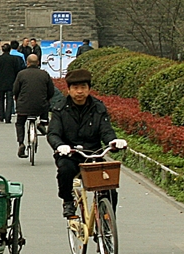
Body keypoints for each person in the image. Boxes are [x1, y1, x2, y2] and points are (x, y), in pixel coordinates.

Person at [47, 68, 127, 218]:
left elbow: (106, 130)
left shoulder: (98, 107)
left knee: (109, 188)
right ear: (69, 90)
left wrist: (114, 142)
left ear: (89, 89)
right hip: (70, 154)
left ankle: (107, 221)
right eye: (75, 88)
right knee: (65, 170)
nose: (79, 92)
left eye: (83, 87)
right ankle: (68, 201)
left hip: (93, 155)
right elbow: (53, 133)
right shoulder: (60, 108)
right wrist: (59, 146)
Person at [12, 53, 55, 158]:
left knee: (20, 123)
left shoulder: (21, 74)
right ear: (38, 63)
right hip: (41, 106)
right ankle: (42, 123)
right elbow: (51, 91)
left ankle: (21, 143)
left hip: (23, 106)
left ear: (27, 63)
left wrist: (17, 98)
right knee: (45, 104)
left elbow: (15, 90)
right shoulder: (44, 74)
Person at [0, 41, 24, 123]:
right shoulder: (14, 59)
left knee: (0, 98)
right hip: (11, 82)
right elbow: (18, 71)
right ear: (10, 50)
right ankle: (8, 117)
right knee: (10, 99)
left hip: (1, 82)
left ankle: (1, 115)